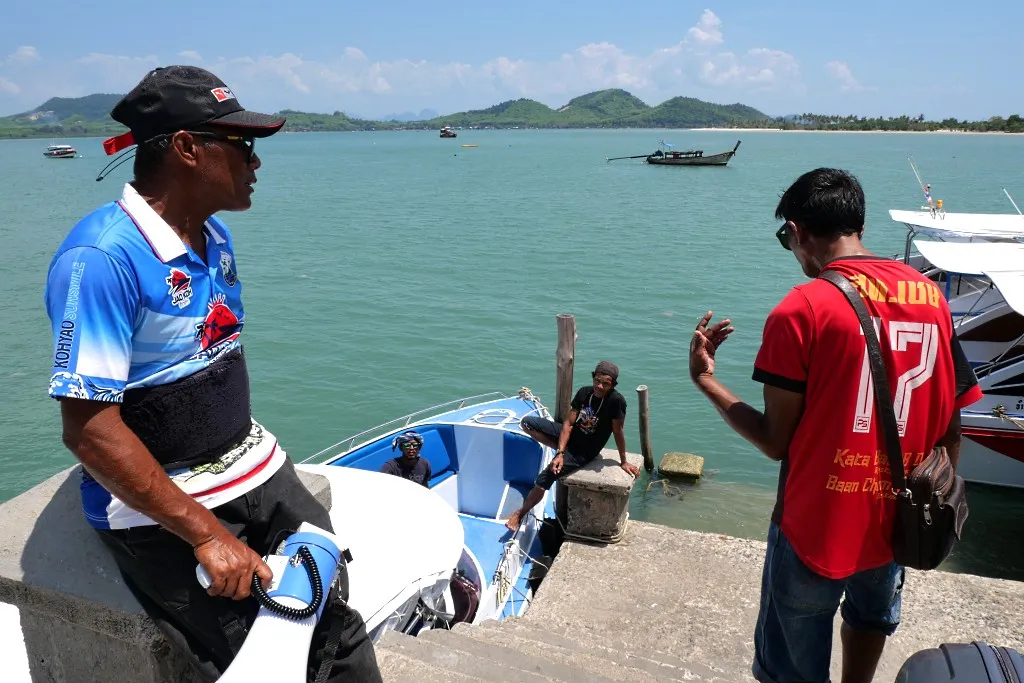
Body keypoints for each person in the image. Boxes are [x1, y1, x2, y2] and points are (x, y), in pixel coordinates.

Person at [43, 65, 381, 683]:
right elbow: (89, 429)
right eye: (243, 145)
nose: (256, 163)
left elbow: (209, 354)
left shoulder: (213, 234)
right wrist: (203, 535)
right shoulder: (101, 260)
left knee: (332, 597)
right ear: (188, 148)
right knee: (267, 648)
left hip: (246, 459)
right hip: (164, 499)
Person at [688, 167, 982, 683]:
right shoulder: (932, 298)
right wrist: (931, 496)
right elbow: (952, 421)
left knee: (791, 668)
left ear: (799, 232)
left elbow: (775, 442)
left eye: (788, 238)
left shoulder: (801, 310)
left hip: (814, 526)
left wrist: (706, 381)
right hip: (898, 520)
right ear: (858, 224)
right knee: (871, 618)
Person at [504, 360, 639, 531]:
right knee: (527, 423)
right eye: (597, 380)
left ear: (612, 385)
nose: (599, 386)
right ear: (593, 378)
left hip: (583, 451)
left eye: (606, 383)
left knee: (547, 476)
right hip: (571, 437)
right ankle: (561, 452)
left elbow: (618, 432)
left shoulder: (616, 401)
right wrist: (560, 453)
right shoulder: (585, 392)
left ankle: (520, 514)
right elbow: (568, 423)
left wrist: (624, 461)